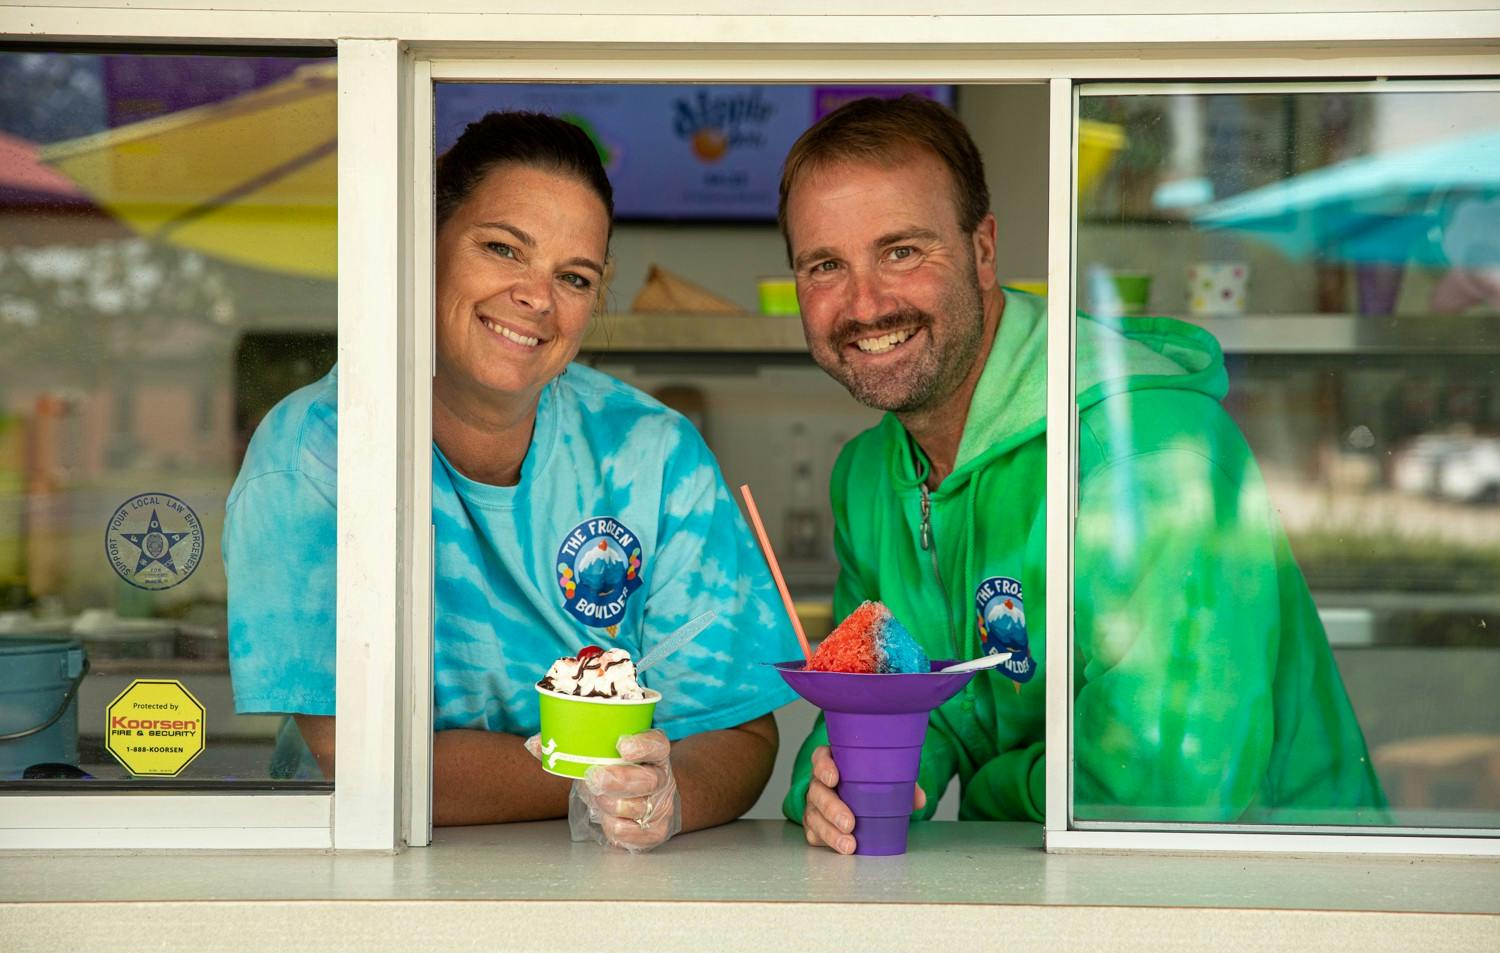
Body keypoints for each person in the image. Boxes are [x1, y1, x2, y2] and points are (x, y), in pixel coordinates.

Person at [777, 95, 1386, 853]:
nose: (865, 303)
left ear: (983, 251)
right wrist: (841, 786)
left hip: (1280, 907)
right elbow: (892, 702)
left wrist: (993, 787)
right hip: (1043, 889)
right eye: (825, 265)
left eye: (902, 251)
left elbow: (1169, 784)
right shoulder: (868, 475)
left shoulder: (1149, 455)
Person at [225, 111, 798, 852]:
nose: (537, 296)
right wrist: (606, 781)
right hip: (358, 877)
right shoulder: (317, 453)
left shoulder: (653, 454)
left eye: (575, 277)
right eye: (502, 248)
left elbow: (740, 731)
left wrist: (672, 797)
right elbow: (362, 765)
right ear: (420, 248)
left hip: (606, 898)